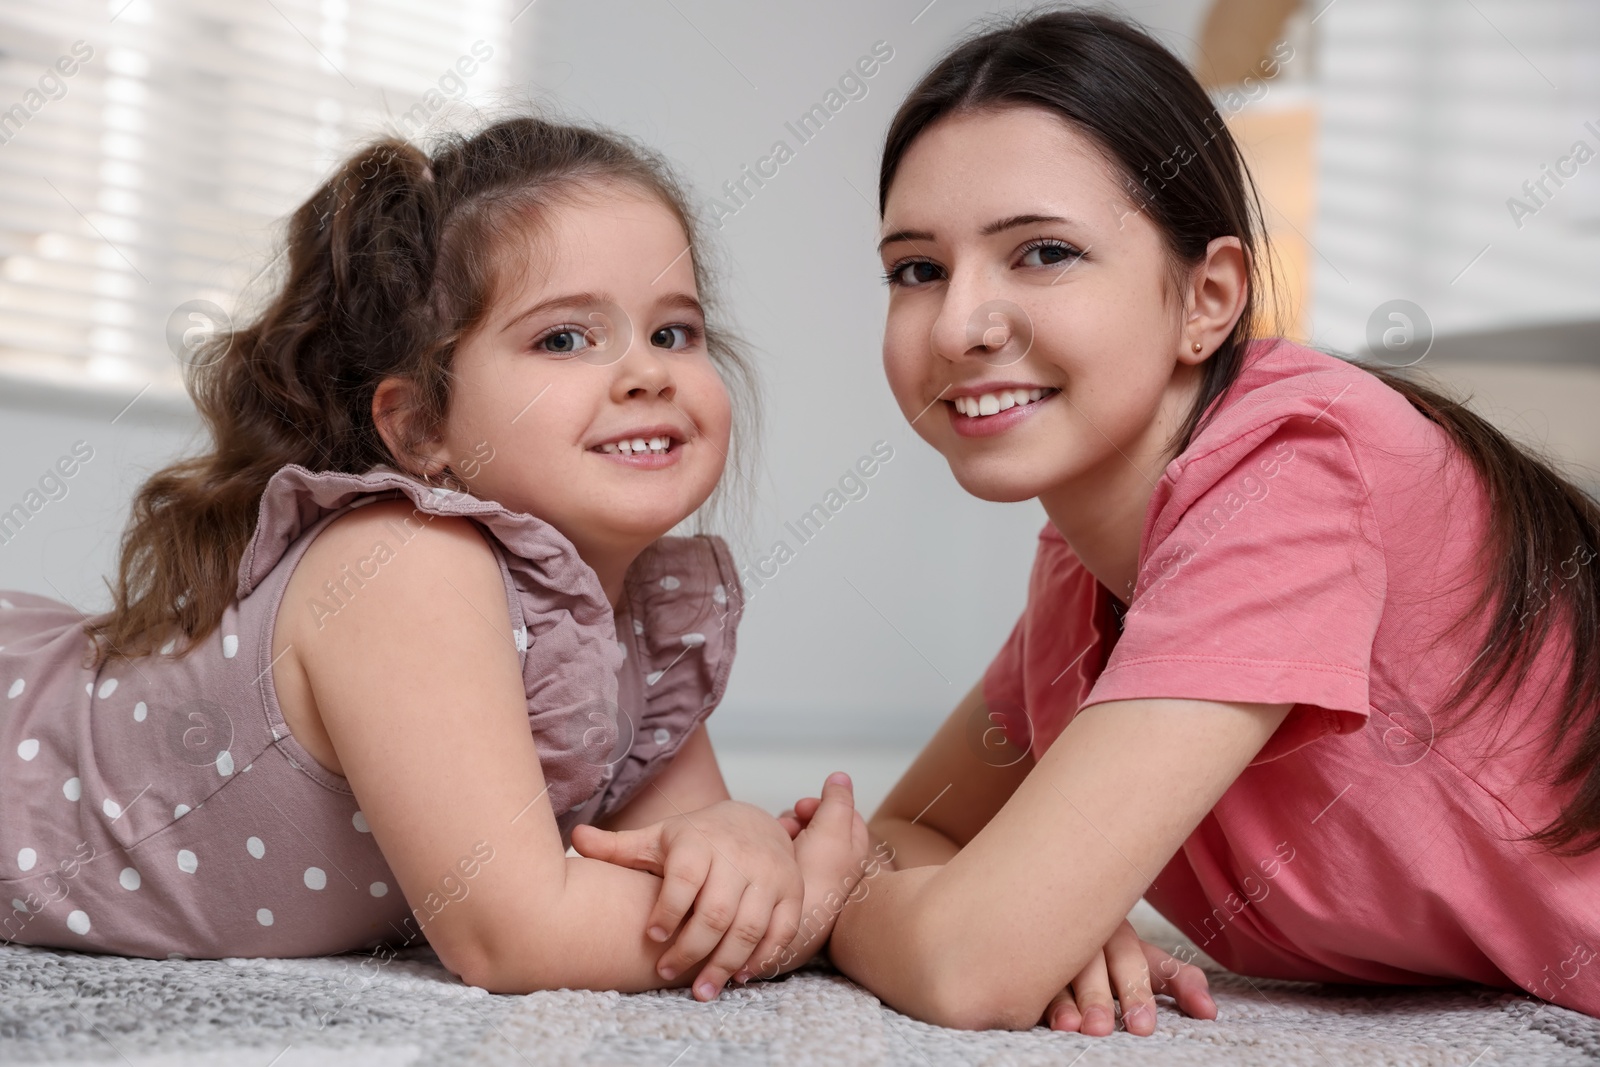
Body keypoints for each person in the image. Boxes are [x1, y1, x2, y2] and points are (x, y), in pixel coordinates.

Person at [791, 8, 1600, 1034]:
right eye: (917, 269)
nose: (960, 324)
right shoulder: (1089, 564)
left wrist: (849, 906)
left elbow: (967, 965)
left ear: (1207, 297)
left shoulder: (1295, 472)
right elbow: (910, 828)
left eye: (1041, 253)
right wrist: (1029, 911)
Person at [0, 116, 873, 1002]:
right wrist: (804, 910)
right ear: (422, 427)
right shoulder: (405, 563)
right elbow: (517, 934)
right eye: (564, 339)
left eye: (674, 332)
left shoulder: (645, 618)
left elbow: (680, 859)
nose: (645, 373)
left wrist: (744, 844)